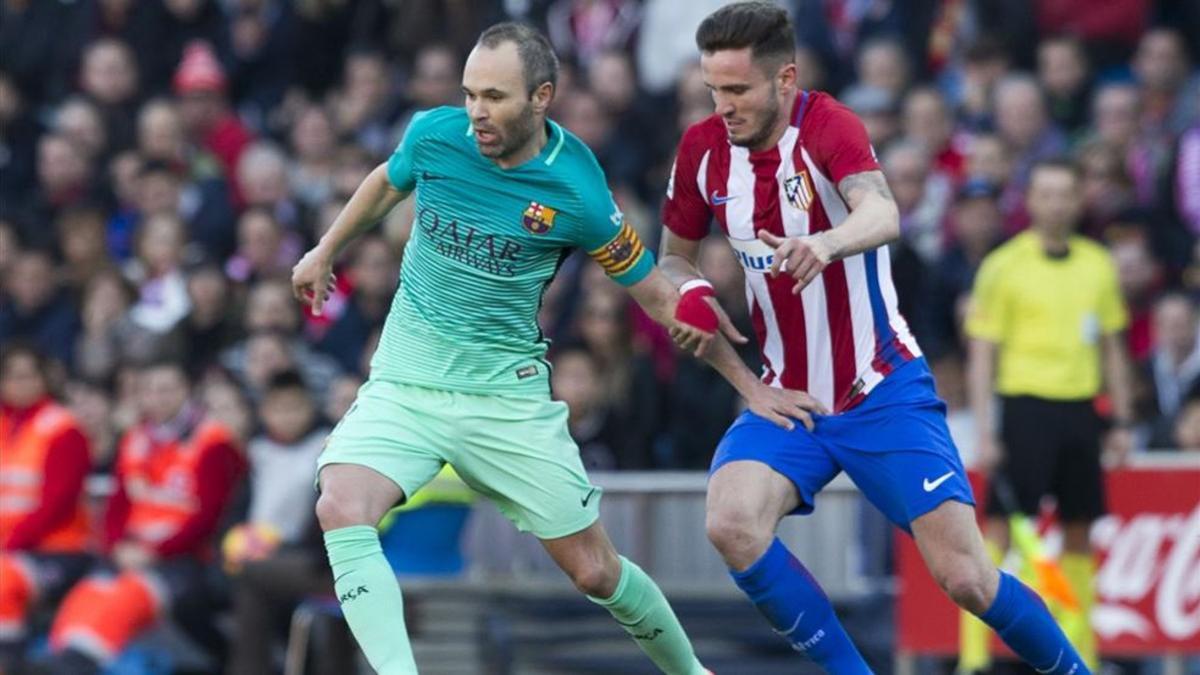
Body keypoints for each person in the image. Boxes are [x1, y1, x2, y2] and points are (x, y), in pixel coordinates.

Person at [290, 21, 780, 675]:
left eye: (494, 97)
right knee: (340, 504)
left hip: (505, 397)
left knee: (594, 569)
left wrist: (751, 387)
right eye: (469, 94)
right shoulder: (435, 136)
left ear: (541, 97)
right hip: (407, 382)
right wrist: (326, 249)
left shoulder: (576, 187)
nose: (476, 113)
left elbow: (659, 298)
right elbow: (387, 179)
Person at [657, 3, 1092, 673]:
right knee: (731, 521)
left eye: (738, 90)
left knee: (967, 577)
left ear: (785, 79)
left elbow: (882, 210)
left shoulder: (829, 125)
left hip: (880, 387)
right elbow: (672, 261)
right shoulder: (702, 150)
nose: (724, 106)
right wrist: (696, 308)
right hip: (787, 399)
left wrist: (824, 243)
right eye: (714, 90)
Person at [966, 159, 1135, 672]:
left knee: (1080, 528)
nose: (1057, 203)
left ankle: (1082, 652)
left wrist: (1122, 422)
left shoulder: (1098, 264)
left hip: (1080, 411)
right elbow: (982, 353)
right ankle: (974, 659)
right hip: (1023, 409)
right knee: (998, 530)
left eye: (1066, 193)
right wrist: (987, 428)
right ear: (1030, 201)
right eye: (1046, 193)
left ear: (1079, 200)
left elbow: (1112, 347)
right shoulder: (1002, 265)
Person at [42, 359, 245, 674]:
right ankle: (61, 662)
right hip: (131, 551)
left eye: (167, 389)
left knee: (126, 597)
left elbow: (209, 518)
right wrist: (116, 546)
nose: (158, 397)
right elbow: (117, 508)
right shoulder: (135, 439)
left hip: (186, 558)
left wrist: (154, 552)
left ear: (187, 391)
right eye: (149, 390)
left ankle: (78, 665)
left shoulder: (213, 442)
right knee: (88, 592)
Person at [0, 344, 92, 673]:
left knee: (2, 580)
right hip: (10, 548)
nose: (19, 383)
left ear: (43, 379)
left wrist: (10, 543)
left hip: (57, 551)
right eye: (11, 376)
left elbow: (58, 499)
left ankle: (9, 664)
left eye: (28, 375)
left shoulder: (63, 428)